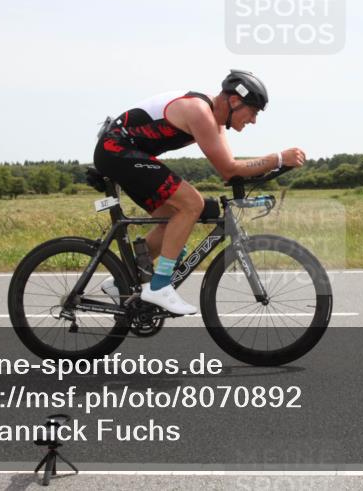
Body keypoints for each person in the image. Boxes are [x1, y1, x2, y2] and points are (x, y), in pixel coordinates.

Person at [92, 70, 305, 315]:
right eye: (254, 111)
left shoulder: (214, 120)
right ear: (235, 101)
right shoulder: (199, 111)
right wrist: (278, 157)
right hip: (116, 150)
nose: (253, 120)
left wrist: (277, 166)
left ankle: (122, 283)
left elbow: (231, 171)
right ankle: (159, 286)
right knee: (191, 204)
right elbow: (229, 168)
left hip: (122, 154)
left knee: (174, 216)